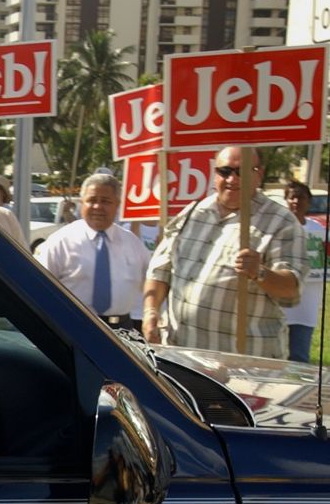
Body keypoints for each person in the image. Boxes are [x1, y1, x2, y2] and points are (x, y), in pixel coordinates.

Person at [143, 147, 308, 359]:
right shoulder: (193, 212)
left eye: (242, 171)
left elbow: (291, 290)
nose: (232, 178)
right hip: (182, 356)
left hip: (244, 362)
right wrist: (150, 312)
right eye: (225, 171)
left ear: (259, 174)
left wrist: (259, 272)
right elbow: (160, 270)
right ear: (214, 174)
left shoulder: (281, 223)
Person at [36, 173, 150, 330]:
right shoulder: (61, 241)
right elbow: (41, 287)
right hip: (73, 326)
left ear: (117, 204)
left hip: (123, 330)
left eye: (105, 201)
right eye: (91, 200)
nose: (98, 207)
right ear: (82, 203)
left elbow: (151, 282)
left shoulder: (133, 243)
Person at [282, 180, 325, 363]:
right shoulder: (278, 229)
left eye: (301, 197)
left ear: (309, 201)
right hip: (280, 308)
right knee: (274, 359)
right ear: (286, 200)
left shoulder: (319, 231)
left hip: (306, 308)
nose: (296, 201)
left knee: (299, 359)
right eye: (292, 197)